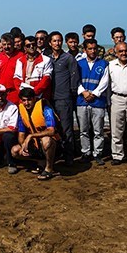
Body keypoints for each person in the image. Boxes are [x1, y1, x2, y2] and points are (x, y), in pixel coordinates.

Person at [45, 31, 80, 165]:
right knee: (53, 128)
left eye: (59, 40)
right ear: (50, 43)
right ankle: (55, 155)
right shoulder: (47, 58)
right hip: (50, 98)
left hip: (64, 98)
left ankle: (69, 156)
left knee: (67, 129)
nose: (57, 43)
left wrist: (71, 94)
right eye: (54, 41)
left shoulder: (68, 58)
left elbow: (74, 77)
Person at [11, 87, 60, 180]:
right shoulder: (22, 111)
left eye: (29, 100)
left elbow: (51, 131)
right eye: (24, 100)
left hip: (54, 144)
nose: (26, 103)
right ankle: (41, 162)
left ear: (34, 98)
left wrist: (31, 135)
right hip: (36, 145)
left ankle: (49, 168)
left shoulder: (45, 107)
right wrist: (23, 145)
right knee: (15, 151)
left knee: (46, 140)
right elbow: (21, 133)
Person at [76, 39, 109, 165]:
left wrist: (94, 94)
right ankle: (86, 152)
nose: (92, 51)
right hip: (82, 101)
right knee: (83, 130)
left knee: (98, 130)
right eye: (90, 48)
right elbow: (76, 80)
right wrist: (83, 92)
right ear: (85, 50)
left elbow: (104, 82)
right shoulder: (78, 63)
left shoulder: (104, 64)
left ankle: (98, 153)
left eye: (94, 48)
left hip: (98, 102)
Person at [13, 35, 53, 100]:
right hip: (24, 97)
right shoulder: (20, 61)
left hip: (40, 97)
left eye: (33, 44)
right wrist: (22, 94)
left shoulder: (46, 60)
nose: (31, 47)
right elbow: (16, 79)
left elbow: (46, 79)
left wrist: (33, 93)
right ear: (24, 48)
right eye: (28, 45)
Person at [0, 33, 22, 104]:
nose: (6, 47)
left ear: (13, 43)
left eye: (9, 44)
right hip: (0, 94)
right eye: (4, 44)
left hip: (15, 92)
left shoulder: (20, 56)